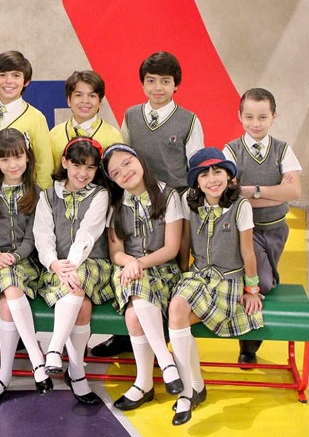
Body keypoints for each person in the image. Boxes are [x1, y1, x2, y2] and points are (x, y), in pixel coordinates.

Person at [94, 51, 204, 357]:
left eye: (165, 81)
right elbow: (122, 155)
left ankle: (167, 338)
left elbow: (196, 169)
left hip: (173, 205)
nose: (158, 87)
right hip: (135, 201)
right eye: (151, 81)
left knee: (176, 267)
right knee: (131, 261)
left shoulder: (188, 121)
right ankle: (125, 337)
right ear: (143, 84)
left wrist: (187, 206)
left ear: (176, 85)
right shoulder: (131, 116)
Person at [168, 147, 262, 425]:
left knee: (177, 321)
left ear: (228, 176)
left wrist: (252, 289)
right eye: (204, 174)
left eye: (217, 172)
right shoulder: (189, 201)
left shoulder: (240, 206)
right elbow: (185, 242)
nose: (212, 179)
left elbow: (247, 252)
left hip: (227, 279)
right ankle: (192, 387)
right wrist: (182, 273)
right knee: (176, 308)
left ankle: (191, 389)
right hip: (198, 276)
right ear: (196, 181)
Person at [0, 128, 52, 404]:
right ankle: (37, 361)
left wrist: (15, 256)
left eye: (17, 157)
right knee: (9, 283)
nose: (12, 164)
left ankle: (3, 376)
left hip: (24, 262)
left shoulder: (36, 192)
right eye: (5, 159)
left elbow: (33, 237)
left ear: (28, 157)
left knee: (8, 301)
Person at [102, 144, 184, 411]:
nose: (124, 172)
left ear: (139, 160)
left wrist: (139, 263)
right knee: (135, 293)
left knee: (133, 315)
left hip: (163, 270)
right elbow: (115, 252)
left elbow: (171, 249)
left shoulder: (168, 196)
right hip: (129, 272)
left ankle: (145, 383)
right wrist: (130, 262)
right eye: (116, 172)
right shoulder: (116, 204)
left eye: (127, 163)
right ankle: (165, 363)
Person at [222, 88, 301, 364]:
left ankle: (251, 338)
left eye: (263, 117)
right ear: (240, 116)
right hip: (248, 231)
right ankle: (248, 346)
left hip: (278, 229)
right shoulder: (231, 151)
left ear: (274, 116)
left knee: (269, 280)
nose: (255, 123)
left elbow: (294, 192)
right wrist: (275, 192)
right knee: (261, 282)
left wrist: (253, 190)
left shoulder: (283, 149)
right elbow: (230, 195)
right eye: (249, 117)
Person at [33, 137, 111, 405]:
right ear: (65, 162)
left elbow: (87, 235)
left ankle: (54, 349)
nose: (83, 173)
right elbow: (43, 236)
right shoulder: (47, 196)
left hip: (91, 264)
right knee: (82, 306)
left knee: (76, 283)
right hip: (56, 267)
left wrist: (70, 266)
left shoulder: (100, 195)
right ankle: (77, 375)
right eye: (77, 165)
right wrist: (55, 264)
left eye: (90, 167)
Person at [0, 50, 54, 189]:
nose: (9, 81)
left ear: (26, 81)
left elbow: (44, 164)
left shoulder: (36, 118)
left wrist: (42, 196)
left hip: (25, 193)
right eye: (2, 75)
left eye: (16, 75)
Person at [49, 70, 123, 169]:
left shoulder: (113, 136)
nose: (85, 101)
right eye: (78, 95)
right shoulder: (54, 135)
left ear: (100, 102)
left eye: (92, 96)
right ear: (69, 100)